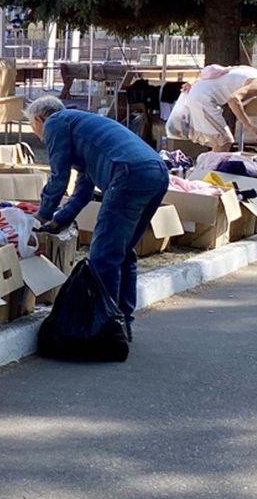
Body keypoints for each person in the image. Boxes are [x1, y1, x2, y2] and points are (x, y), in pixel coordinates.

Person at [30, 96, 170, 339]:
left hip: (127, 173)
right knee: (123, 252)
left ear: (39, 119)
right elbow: (83, 189)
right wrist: (60, 219)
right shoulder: (83, 127)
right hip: (156, 172)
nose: (38, 136)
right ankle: (122, 323)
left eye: (34, 129)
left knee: (104, 255)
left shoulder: (55, 123)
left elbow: (58, 177)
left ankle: (104, 327)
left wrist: (41, 215)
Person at [166, 63, 257, 149]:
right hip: (203, 99)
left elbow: (218, 74)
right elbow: (233, 100)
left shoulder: (253, 71)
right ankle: (206, 170)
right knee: (224, 143)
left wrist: (195, 83)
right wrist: (250, 126)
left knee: (220, 143)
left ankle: (205, 169)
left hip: (201, 95)